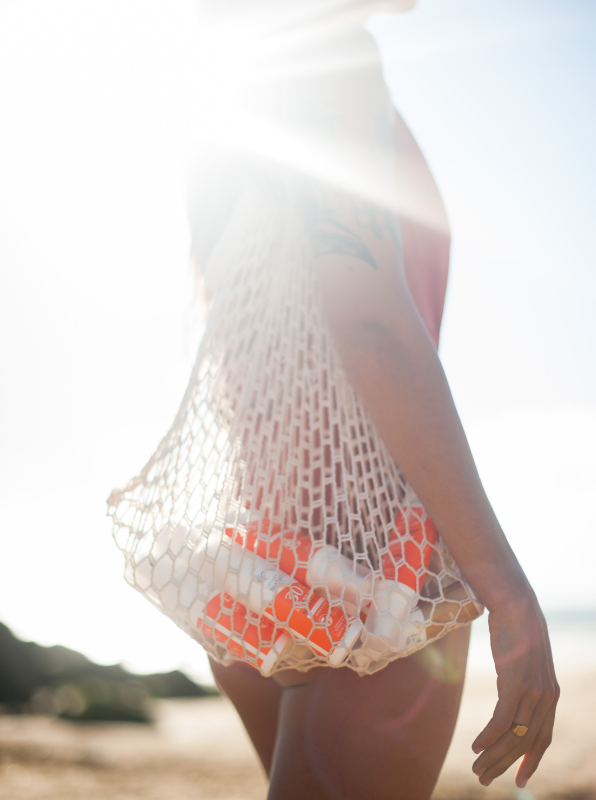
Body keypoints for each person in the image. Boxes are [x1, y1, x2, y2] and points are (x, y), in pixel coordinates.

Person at [187, 1, 557, 797]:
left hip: (262, 561)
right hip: (377, 571)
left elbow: (237, 341)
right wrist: (507, 590)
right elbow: (372, 320)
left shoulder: (232, 100)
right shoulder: (333, 63)